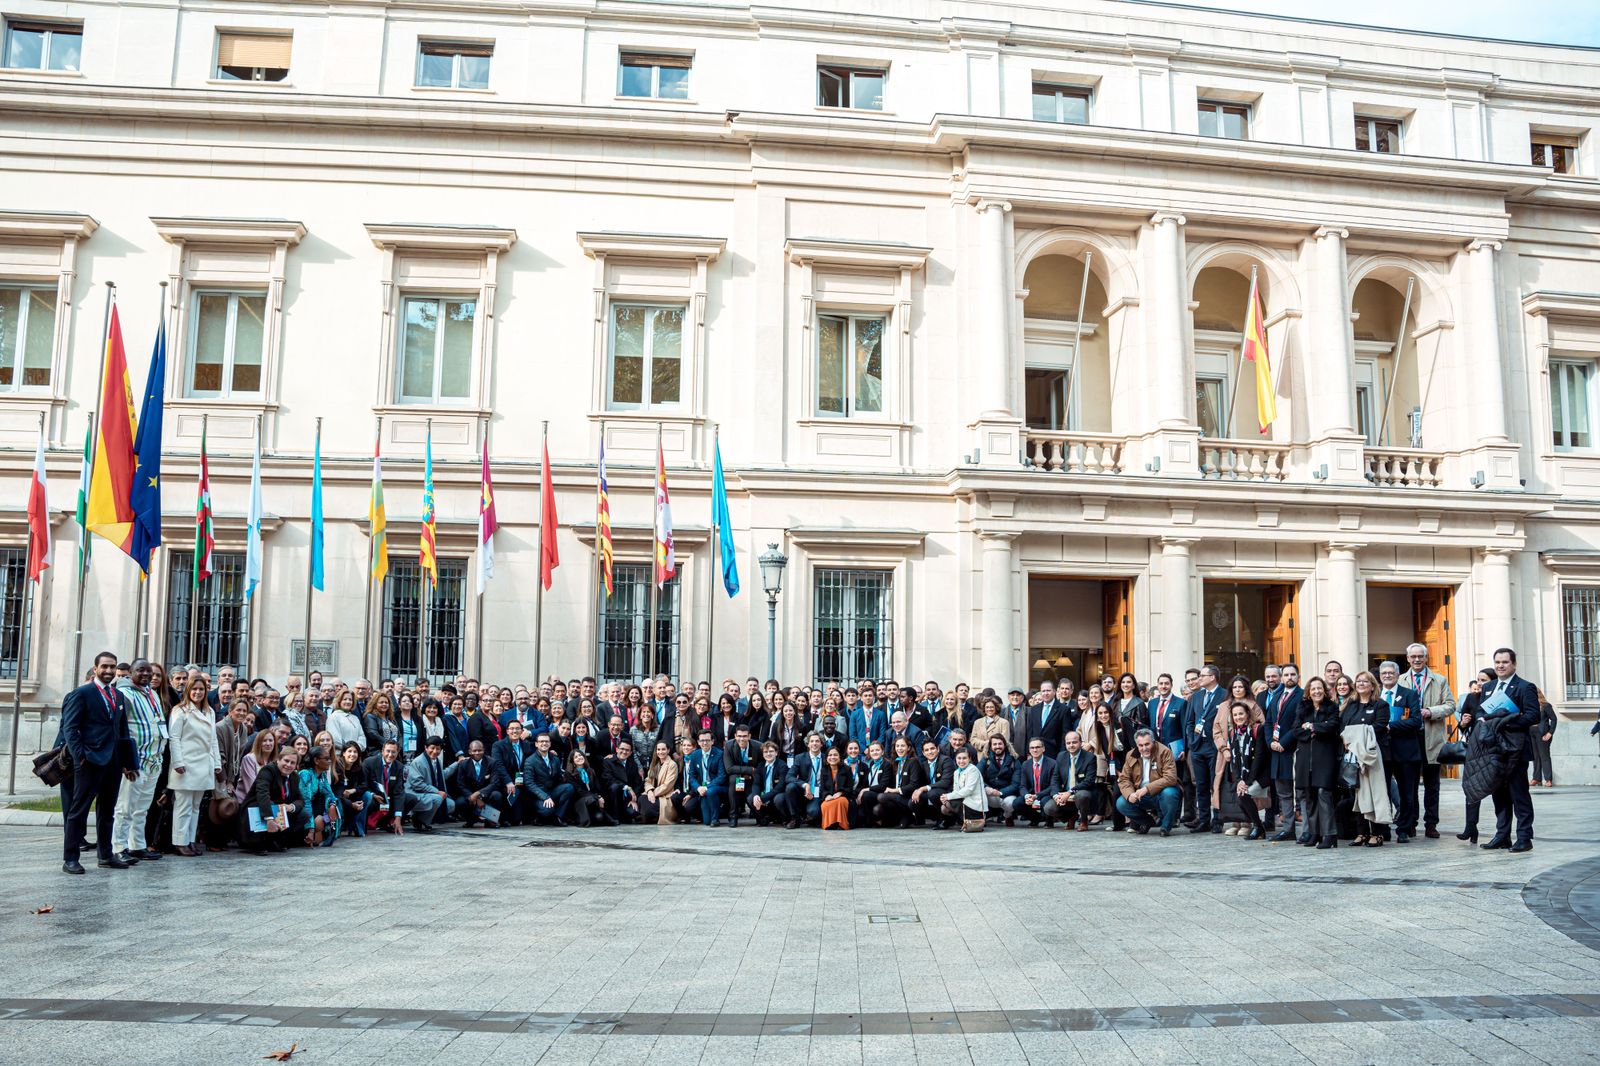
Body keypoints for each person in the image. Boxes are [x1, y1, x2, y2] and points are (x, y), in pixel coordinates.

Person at [58, 651, 137, 874]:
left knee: (107, 811)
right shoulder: (81, 693)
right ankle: (71, 858)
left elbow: (122, 729)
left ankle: (105, 855)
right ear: (95, 669)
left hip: (113, 762)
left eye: (112, 667)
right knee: (78, 811)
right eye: (105, 667)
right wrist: (79, 756)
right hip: (88, 761)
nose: (109, 671)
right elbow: (70, 729)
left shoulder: (118, 695)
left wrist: (126, 761)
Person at [1480, 648, 1540, 852]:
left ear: (1513, 664)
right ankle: (1502, 836)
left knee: (1519, 794)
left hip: (1516, 749)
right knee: (1499, 795)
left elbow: (1533, 716)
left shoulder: (1525, 687)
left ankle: (1524, 837)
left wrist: (1505, 722)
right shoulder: (1488, 687)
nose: (1500, 666)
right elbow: (1482, 711)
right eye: (1497, 662)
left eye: (1505, 662)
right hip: (1495, 751)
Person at [111, 659, 168, 864]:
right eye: (141, 670)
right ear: (130, 672)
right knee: (125, 807)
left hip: (153, 760)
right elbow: (118, 729)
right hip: (135, 762)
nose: (146, 674)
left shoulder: (151, 693)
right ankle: (118, 847)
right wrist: (125, 762)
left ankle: (137, 845)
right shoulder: (125, 694)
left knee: (142, 808)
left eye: (149, 671)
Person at [1399, 643, 1456, 838]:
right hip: (1408, 739)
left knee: (1433, 785)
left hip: (1432, 739)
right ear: (1408, 659)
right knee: (1410, 784)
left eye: (1420, 657)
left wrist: (1431, 711)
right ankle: (1411, 823)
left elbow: (1450, 705)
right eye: (1413, 656)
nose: (1416, 660)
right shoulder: (1400, 680)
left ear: (1426, 658)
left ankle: (1431, 823)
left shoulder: (1439, 680)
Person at [168, 675, 222, 857]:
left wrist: (216, 764)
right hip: (186, 764)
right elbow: (174, 738)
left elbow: (213, 739)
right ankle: (179, 842)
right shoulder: (180, 711)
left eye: (201, 689)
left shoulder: (210, 712)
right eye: (194, 689)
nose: (197, 692)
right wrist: (178, 762)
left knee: (195, 806)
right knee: (183, 805)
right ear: (188, 691)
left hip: (203, 764)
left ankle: (190, 840)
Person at [1341, 671, 1394, 847]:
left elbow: (1379, 726)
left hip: (1375, 757)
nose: (1361, 684)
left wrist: (1357, 736)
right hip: (1354, 758)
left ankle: (1378, 833)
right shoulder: (1351, 705)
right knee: (1357, 794)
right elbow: (1343, 727)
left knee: (1376, 794)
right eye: (1358, 681)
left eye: (1365, 681)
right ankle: (1362, 832)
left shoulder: (1381, 705)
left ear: (1372, 685)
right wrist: (1346, 740)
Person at [1378, 661, 1424, 843]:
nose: (1387, 676)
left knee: (1407, 793)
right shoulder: (1376, 696)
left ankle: (1404, 828)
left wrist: (1390, 726)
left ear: (1398, 675)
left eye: (1391, 673)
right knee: (1383, 792)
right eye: (1384, 673)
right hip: (1382, 751)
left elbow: (1415, 721)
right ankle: (1384, 828)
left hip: (1405, 752)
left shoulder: (1409, 694)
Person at [1296, 677, 1344, 849]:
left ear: (1324, 690)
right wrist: (1314, 729)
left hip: (1325, 758)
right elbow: (1296, 730)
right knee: (1310, 796)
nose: (1316, 691)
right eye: (1313, 689)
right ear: (1308, 692)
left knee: (1324, 794)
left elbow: (1332, 727)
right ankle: (1315, 833)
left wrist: (1313, 727)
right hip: (1305, 759)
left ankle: (1330, 834)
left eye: (1319, 688)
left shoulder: (1331, 707)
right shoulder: (1303, 708)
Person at [1454, 668, 1498, 842]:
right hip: (1475, 748)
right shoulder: (1471, 698)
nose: (1480, 683)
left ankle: (1501, 831)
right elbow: (1464, 724)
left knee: (1497, 791)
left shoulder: (1498, 698)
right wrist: (1463, 723)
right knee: (1471, 788)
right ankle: (1470, 827)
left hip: (1493, 748)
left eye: (1484, 680)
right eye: (1479, 680)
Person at [1114, 729, 1181, 835]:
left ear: (1153, 742)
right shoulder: (1130, 755)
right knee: (1121, 803)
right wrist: (1130, 794)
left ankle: (1166, 826)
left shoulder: (1164, 751)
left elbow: (1170, 778)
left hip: (1160, 793)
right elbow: (1124, 779)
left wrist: (1147, 788)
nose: (1144, 748)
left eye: (1147, 744)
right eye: (1140, 745)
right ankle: (1146, 822)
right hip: (1140, 795)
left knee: (1170, 793)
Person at [1183, 665, 1226, 833]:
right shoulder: (1196, 697)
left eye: (1202, 676)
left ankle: (1218, 820)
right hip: (1197, 747)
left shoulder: (1224, 695)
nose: (1199, 679)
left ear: (1213, 677)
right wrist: (1192, 741)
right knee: (1201, 785)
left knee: (1215, 785)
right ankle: (1204, 820)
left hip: (1215, 747)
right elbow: (1190, 722)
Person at [1263, 664, 1302, 840]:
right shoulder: (1276, 697)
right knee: (1283, 793)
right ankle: (1289, 829)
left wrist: (1284, 742)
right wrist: (1271, 741)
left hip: (1294, 750)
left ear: (1298, 677)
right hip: (1276, 752)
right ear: (1282, 677)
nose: (1289, 677)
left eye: (1293, 674)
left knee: (1301, 794)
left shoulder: (1302, 696)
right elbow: (1269, 722)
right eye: (1286, 674)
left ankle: (1308, 830)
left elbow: (1298, 724)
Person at [1223, 701, 1272, 840]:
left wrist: (1247, 781)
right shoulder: (1233, 733)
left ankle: (1258, 827)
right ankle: (1258, 826)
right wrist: (1239, 780)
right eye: (1235, 715)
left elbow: (1259, 758)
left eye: (1241, 714)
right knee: (1241, 798)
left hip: (1260, 774)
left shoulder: (1258, 729)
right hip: (1244, 776)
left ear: (1247, 714)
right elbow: (1235, 760)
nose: (1238, 717)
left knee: (1244, 796)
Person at [1049, 731, 1098, 831]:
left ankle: (1084, 821)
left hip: (1081, 792)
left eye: (1074, 742)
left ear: (1080, 743)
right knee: (1049, 808)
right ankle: (1070, 818)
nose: (1071, 745)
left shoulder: (1090, 757)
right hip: (1065, 794)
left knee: (1082, 795)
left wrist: (1070, 792)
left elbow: (1089, 781)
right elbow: (1055, 779)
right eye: (1068, 743)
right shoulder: (1061, 756)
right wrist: (1056, 795)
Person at [522, 732, 572, 826]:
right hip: (538, 796)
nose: (544, 743)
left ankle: (558, 817)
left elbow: (559, 779)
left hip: (552, 791)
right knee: (547, 810)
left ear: (550, 744)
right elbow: (529, 784)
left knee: (568, 787)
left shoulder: (555, 759)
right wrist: (545, 797)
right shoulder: (530, 761)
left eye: (546, 741)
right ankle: (537, 817)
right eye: (541, 741)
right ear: (536, 744)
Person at [874, 735, 924, 829]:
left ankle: (908, 816)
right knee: (877, 810)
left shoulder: (913, 762)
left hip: (909, 797)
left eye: (902, 746)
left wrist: (894, 791)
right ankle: (903, 817)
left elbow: (914, 785)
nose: (899, 749)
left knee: (882, 797)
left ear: (908, 748)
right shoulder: (895, 762)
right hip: (898, 797)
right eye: (897, 746)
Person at [404, 736, 452, 831]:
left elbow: (443, 774)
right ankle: (420, 821)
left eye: (438, 749)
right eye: (432, 748)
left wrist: (456, 764)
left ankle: (420, 816)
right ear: (426, 748)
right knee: (438, 798)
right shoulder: (418, 761)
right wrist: (437, 791)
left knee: (451, 804)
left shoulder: (436, 761)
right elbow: (417, 784)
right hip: (414, 794)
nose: (435, 751)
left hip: (427, 793)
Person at [296, 745, 342, 845]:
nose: (330, 761)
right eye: (326, 759)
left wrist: (332, 805)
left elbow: (330, 794)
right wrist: (311, 829)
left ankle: (331, 833)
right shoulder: (305, 774)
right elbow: (306, 802)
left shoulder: (322, 774)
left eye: (330, 758)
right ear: (316, 760)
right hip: (302, 813)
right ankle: (309, 833)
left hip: (315, 810)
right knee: (319, 821)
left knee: (336, 806)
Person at [682, 729, 726, 827]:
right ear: (698, 742)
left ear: (712, 741)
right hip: (702, 789)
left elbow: (721, 776)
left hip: (717, 787)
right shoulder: (695, 755)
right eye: (702, 740)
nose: (705, 743)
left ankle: (715, 819)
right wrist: (698, 788)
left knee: (711, 791)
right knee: (706, 821)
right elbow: (691, 776)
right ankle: (712, 815)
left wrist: (707, 787)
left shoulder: (719, 754)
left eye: (707, 740)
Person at [1014, 738, 1059, 827]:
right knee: (1017, 803)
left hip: (1046, 795)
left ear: (1043, 749)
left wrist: (1037, 795)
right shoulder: (1025, 764)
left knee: (1045, 801)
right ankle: (1035, 818)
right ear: (1029, 750)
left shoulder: (1052, 763)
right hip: (1031, 794)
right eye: (1032, 748)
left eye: (1038, 747)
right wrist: (1027, 796)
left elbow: (1053, 786)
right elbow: (1022, 786)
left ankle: (1049, 820)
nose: (1035, 750)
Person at [939, 747, 986, 829]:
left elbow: (968, 790)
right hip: (965, 802)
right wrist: (945, 797)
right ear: (955, 758)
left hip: (975, 805)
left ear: (969, 759)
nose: (961, 761)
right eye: (959, 758)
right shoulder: (956, 772)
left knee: (950, 802)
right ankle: (962, 820)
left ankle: (972, 819)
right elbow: (956, 791)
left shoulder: (973, 770)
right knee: (944, 807)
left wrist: (949, 796)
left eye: (964, 758)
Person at [722, 725, 760, 827]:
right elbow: (729, 768)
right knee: (734, 780)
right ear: (735, 736)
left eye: (744, 736)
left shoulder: (758, 746)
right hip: (737, 778)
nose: (741, 739)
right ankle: (733, 816)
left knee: (751, 798)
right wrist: (749, 770)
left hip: (753, 779)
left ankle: (759, 816)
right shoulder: (729, 746)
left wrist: (752, 774)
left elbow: (760, 768)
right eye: (739, 736)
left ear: (749, 736)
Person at [566, 749, 613, 827]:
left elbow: (597, 787)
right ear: (572, 761)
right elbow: (579, 791)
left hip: (592, 801)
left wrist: (600, 796)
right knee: (590, 799)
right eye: (576, 757)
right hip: (579, 802)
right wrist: (597, 797)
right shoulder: (568, 774)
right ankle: (579, 818)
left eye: (580, 755)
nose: (579, 758)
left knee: (599, 818)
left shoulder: (590, 771)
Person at [601, 739, 644, 823]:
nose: (624, 752)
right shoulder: (608, 761)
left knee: (633, 812)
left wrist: (633, 799)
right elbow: (608, 779)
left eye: (627, 750)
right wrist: (626, 787)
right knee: (615, 786)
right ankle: (615, 816)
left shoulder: (633, 764)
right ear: (617, 749)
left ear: (631, 753)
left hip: (627, 798)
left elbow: (637, 783)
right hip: (612, 798)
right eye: (622, 749)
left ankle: (626, 814)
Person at [640, 740, 681, 824]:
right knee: (641, 799)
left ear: (668, 750)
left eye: (663, 749)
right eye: (658, 749)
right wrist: (649, 791)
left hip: (665, 796)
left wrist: (653, 793)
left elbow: (667, 785)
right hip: (653, 794)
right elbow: (648, 781)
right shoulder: (654, 763)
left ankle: (649, 816)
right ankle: (648, 817)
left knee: (648, 809)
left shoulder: (672, 764)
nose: (660, 752)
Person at [336, 742, 371, 836]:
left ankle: (358, 826)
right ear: (343, 753)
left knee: (367, 795)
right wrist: (350, 803)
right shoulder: (337, 766)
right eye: (349, 751)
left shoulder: (359, 767)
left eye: (355, 752)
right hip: (340, 797)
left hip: (353, 796)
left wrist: (353, 790)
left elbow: (365, 785)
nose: (352, 754)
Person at [818, 747, 854, 830]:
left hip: (844, 796)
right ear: (826, 758)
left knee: (841, 801)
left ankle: (841, 824)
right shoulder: (824, 770)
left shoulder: (847, 769)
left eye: (835, 755)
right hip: (830, 797)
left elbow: (850, 788)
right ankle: (831, 824)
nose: (832, 757)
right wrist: (827, 795)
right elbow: (822, 789)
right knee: (825, 805)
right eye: (830, 755)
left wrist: (841, 793)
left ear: (839, 757)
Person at [1530, 686, 1557, 788]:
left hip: (1542, 733)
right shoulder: (1528, 705)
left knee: (1544, 756)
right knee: (1535, 757)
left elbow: (1554, 719)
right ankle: (1536, 779)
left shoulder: (1545, 706)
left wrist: (1550, 733)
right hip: (1531, 733)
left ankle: (1548, 779)